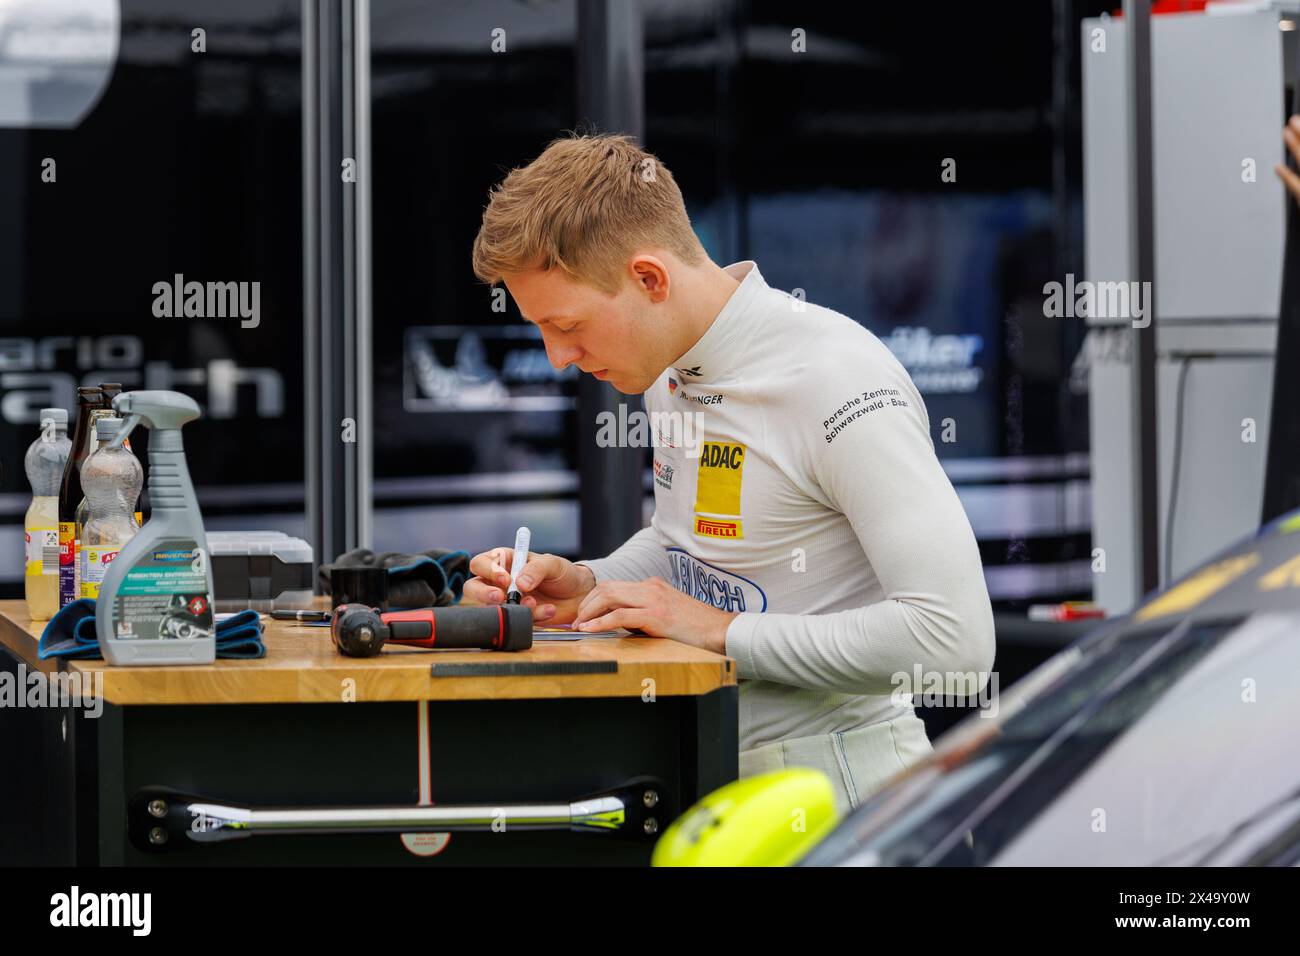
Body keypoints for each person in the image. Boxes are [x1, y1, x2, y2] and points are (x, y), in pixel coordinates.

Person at [464, 133, 995, 814]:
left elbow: (954, 644)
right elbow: (692, 544)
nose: (559, 356)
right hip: (720, 778)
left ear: (650, 278)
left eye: (567, 324)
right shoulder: (670, 369)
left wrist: (716, 630)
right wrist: (590, 584)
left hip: (852, 798)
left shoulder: (836, 380)